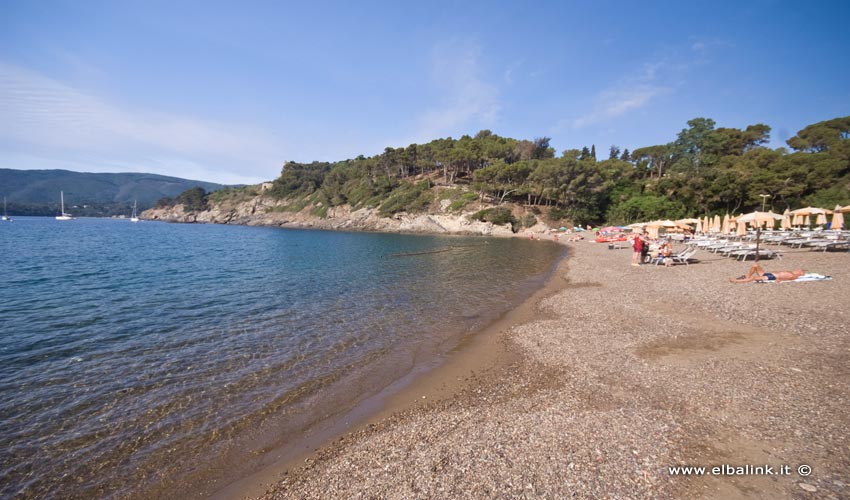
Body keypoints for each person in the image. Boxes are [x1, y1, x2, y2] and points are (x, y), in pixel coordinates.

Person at [728, 264, 805, 283]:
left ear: (800, 274)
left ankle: (737, 281)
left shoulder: (794, 276)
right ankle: (748, 276)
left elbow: (787, 278)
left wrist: (779, 279)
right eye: (799, 269)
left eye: (800, 271)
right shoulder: (790, 271)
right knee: (755, 265)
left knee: (754, 278)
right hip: (768, 273)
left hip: (771, 277)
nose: (798, 270)